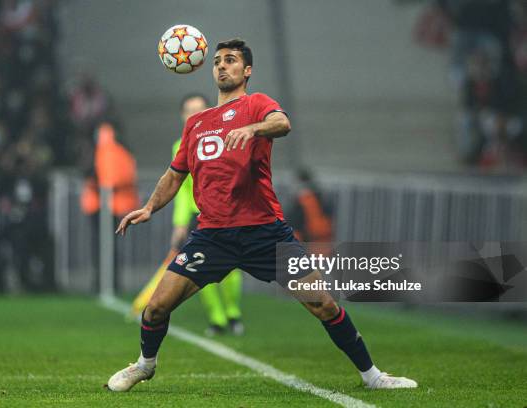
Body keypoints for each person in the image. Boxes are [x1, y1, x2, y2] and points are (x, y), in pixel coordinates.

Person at [107, 38, 417, 392]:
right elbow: (175, 175)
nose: (223, 66)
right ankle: (145, 366)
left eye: (231, 60)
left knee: (324, 305)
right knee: (157, 306)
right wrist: (149, 207)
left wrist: (254, 127)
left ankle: (373, 376)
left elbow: (282, 123)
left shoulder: (256, 104)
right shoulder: (196, 124)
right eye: (218, 61)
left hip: (265, 233)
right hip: (213, 236)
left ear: (247, 70)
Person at [171, 93, 243, 336]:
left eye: (200, 109)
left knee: (232, 269)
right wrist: (180, 224)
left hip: (227, 214)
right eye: (189, 110)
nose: (195, 114)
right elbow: (181, 190)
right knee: (199, 269)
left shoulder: (224, 138)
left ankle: (233, 311)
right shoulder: (178, 147)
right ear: (182, 116)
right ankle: (217, 318)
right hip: (197, 217)